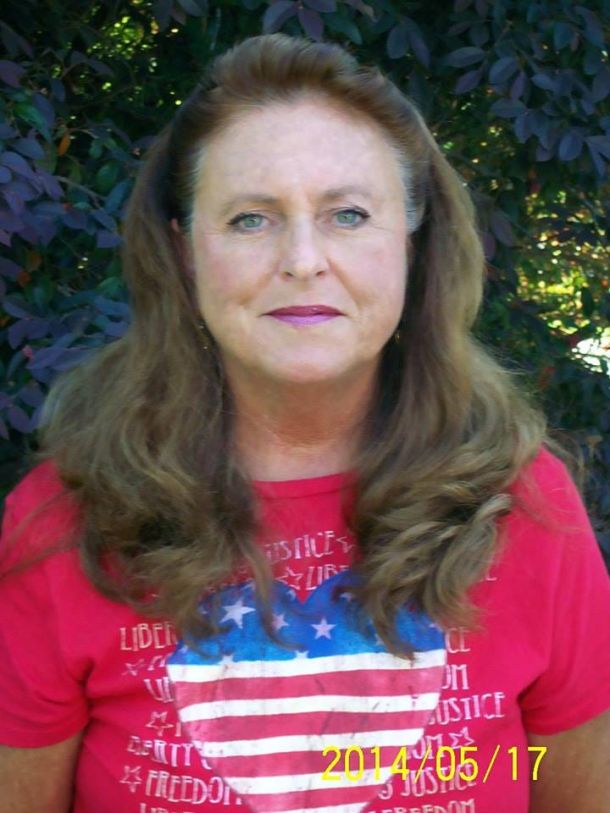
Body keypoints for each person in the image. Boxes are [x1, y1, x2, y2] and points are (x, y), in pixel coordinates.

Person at [0, 31, 609, 813]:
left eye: (347, 214)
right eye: (250, 220)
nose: (302, 259)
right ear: (185, 253)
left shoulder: (525, 505)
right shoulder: (65, 522)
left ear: (413, 244)